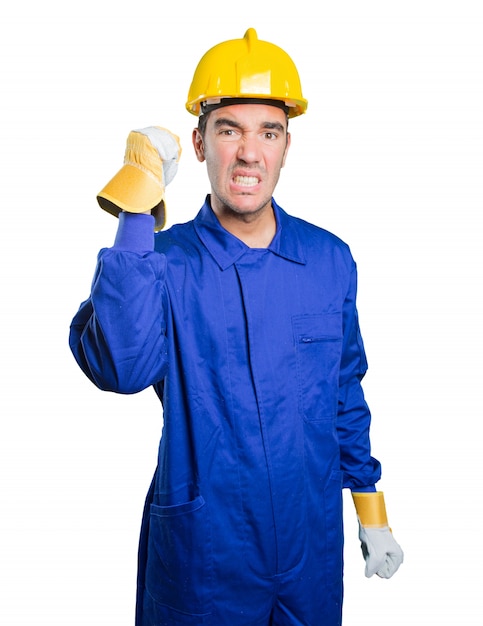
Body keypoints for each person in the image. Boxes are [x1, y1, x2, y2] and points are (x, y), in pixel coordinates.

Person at [69, 28, 403, 626]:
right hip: (206, 557)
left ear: (286, 145)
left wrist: (371, 511)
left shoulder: (329, 261)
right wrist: (138, 206)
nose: (250, 152)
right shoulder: (161, 264)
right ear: (199, 144)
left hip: (310, 549)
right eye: (229, 130)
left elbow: (345, 392)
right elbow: (120, 366)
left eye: (267, 132)